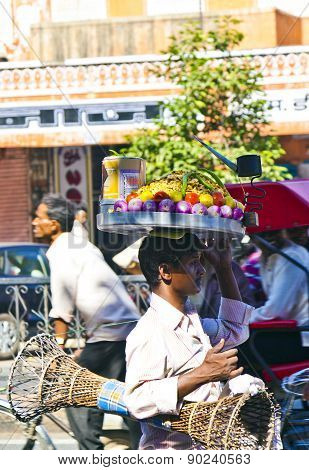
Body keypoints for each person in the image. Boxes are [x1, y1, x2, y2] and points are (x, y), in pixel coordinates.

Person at [124, 232, 255, 450]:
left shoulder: (194, 322)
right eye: (194, 262)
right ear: (165, 271)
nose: (202, 270)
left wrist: (224, 267)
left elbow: (235, 330)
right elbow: (136, 400)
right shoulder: (149, 332)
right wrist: (204, 373)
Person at [32, 193, 141, 450]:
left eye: (39, 218)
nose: (35, 223)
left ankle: (91, 454)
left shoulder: (62, 251)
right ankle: (142, 447)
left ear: (55, 224)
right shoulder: (80, 245)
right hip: (125, 331)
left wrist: (56, 350)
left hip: (111, 335)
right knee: (128, 398)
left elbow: (62, 308)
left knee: (74, 393)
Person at [249, 230, 309, 326]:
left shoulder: (292, 255)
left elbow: (276, 311)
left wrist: (242, 319)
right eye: (263, 234)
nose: (269, 237)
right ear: (252, 238)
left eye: (274, 232)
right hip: (289, 331)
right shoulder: (265, 256)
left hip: (301, 332)